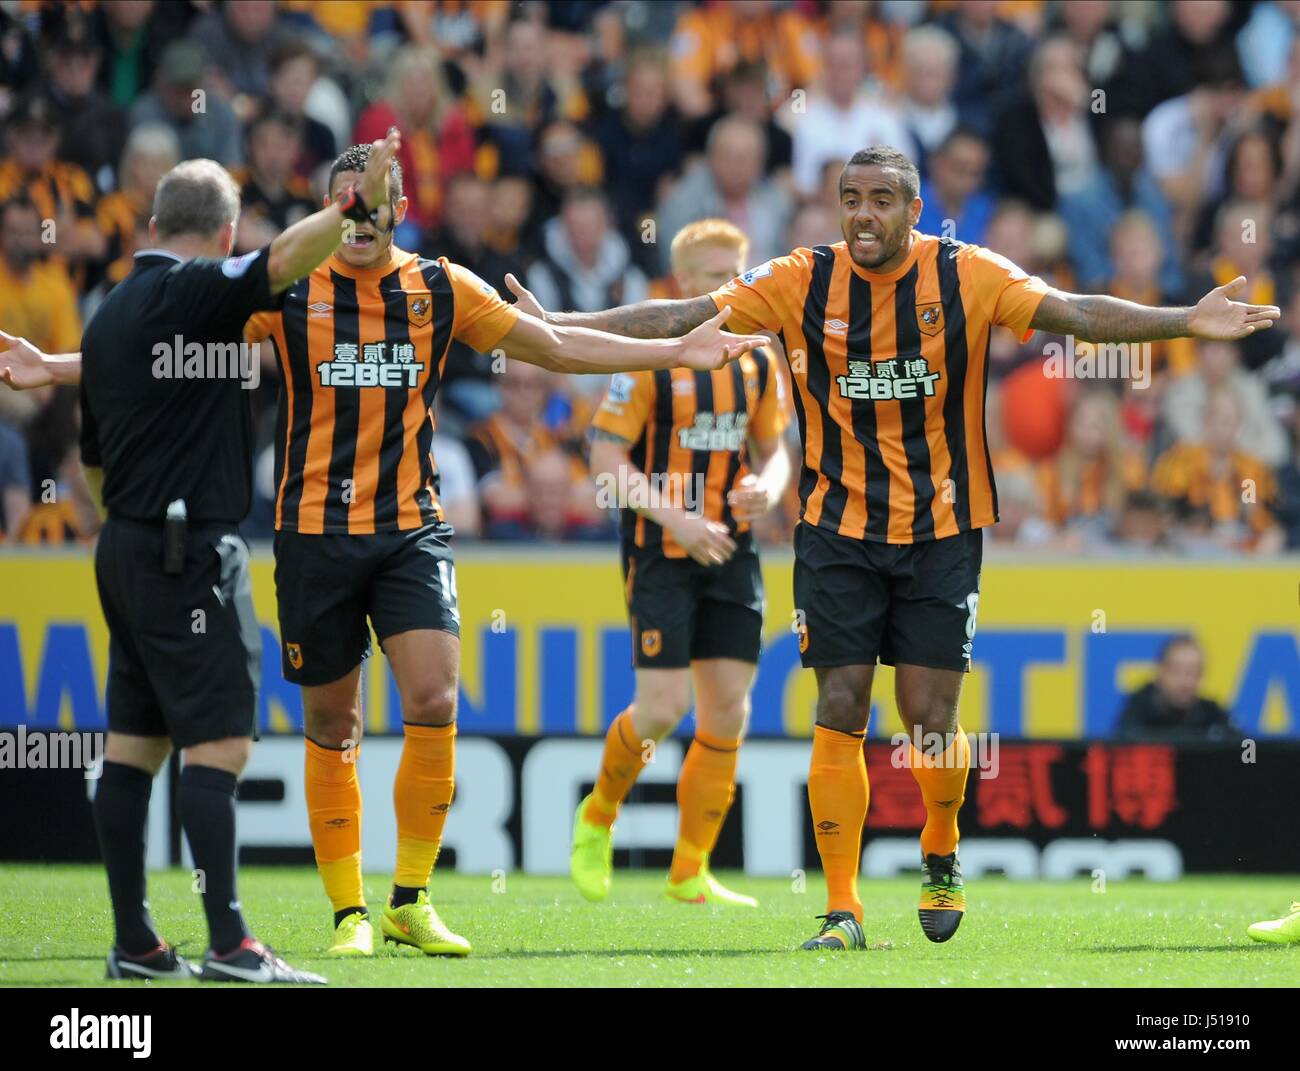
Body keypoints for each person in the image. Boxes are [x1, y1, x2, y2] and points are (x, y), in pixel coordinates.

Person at [2, 143, 767, 963]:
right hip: (311, 532)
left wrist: (672, 352)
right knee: (336, 721)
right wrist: (55, 368)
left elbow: (555, 348)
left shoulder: (440, 286)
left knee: (435, 696)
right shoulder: (290, 291)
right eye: (342, 203)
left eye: (369, 205)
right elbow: (167, 349)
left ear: (397, 210)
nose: (356, 220)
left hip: (410, 528)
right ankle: (348, 914)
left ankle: (410, 897)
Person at [504, 144, 1280, 952]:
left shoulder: (968, 274)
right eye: (850, 198)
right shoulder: (801, 277)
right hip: (836, 529)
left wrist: (1185, 320)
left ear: (915, 209)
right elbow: (679, 318)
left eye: (881, 198)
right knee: (839, 704)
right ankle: (843, 909)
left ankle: (940, 846)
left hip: (943, 529)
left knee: (927, 718)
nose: (863, 213)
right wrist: (561, 324)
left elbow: (1076, 313)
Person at [3, 130, 405, 984]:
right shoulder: (197, 291)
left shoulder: (111, 312)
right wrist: (348, 205)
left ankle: (136, 945)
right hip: (190, 552)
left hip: (126, 547)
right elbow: (281, 264)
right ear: (224, 234)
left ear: (152, 218)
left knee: (133, 745)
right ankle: (231, 945)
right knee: (219, 743)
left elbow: (95, 465)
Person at [571, 219, 791, 907]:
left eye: (737, 269)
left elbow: (777, 451)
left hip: (730, 547)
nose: (726, 284)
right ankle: (598, 814)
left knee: (728, 709)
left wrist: (768, 490)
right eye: (710, 273)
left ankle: (689, 868)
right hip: (663, 547)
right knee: (663, 709)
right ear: (681, 283)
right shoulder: (646, 358)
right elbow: (604, 461)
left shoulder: (757, 360)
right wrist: (677, 517)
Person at [1114, 635, 1239, 742]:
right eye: (1176, 671)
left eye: (1192, 673)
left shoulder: (1212, 714)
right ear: (1160, 671)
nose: (1184, 682)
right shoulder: (1138, 709)